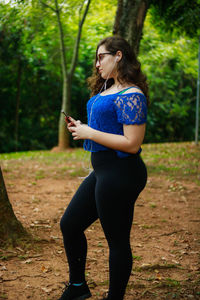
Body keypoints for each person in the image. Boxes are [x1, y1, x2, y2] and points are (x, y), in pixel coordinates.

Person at [59, 36, 149, 300]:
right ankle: (78, 288)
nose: (97, 63)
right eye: (96, 58)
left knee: (117, 240)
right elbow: (102, 130)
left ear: (118, 56)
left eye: (101, 57)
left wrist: (89, 133)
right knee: (70, 224)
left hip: (122, 172)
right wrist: (82, 128)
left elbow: (132, 144)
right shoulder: (106, 89)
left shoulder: (132, 94)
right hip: (102, 171)